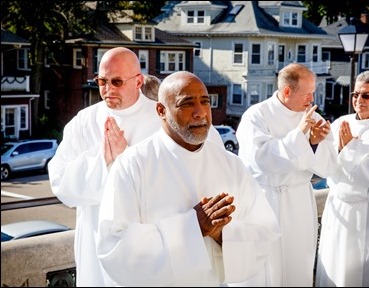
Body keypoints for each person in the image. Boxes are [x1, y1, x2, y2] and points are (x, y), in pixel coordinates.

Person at [95, 71, 281, 287]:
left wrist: (222, 233)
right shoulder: (132, 165)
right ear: (161, 111)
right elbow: (113, 245)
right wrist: (193, 226)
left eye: (205, 102)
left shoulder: (230, 164)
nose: (200, 113)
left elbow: (265, 232)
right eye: (187, 103)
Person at [47, 47, 163, 286]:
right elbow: (59, 180)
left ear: (139, 81)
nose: (108, 90)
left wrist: (126, 160)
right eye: (102, 81)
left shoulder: (161, 120)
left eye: (117, 82)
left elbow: (172, 182)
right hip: (95, 239)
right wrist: (102, 162)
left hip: (146, 243)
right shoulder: (83, 122)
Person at [236, 63, 337, 286]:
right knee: (266, 269)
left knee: (298, 265)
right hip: (265, 201)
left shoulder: (315, 118)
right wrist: (300, 135)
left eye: (313, 92)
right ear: (287, 91)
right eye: (307, 93)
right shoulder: (256, 116)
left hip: (298, 202)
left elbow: (328, 166)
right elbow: (261, 159)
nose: (312, 99)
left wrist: (313, 144)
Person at [315, 70, 369, 287]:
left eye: (366, 95)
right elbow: (325, 165)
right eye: (355, 94)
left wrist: (351, 148)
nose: (358, 100)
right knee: (336, 268)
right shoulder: (340, 123)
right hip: (339, 208)